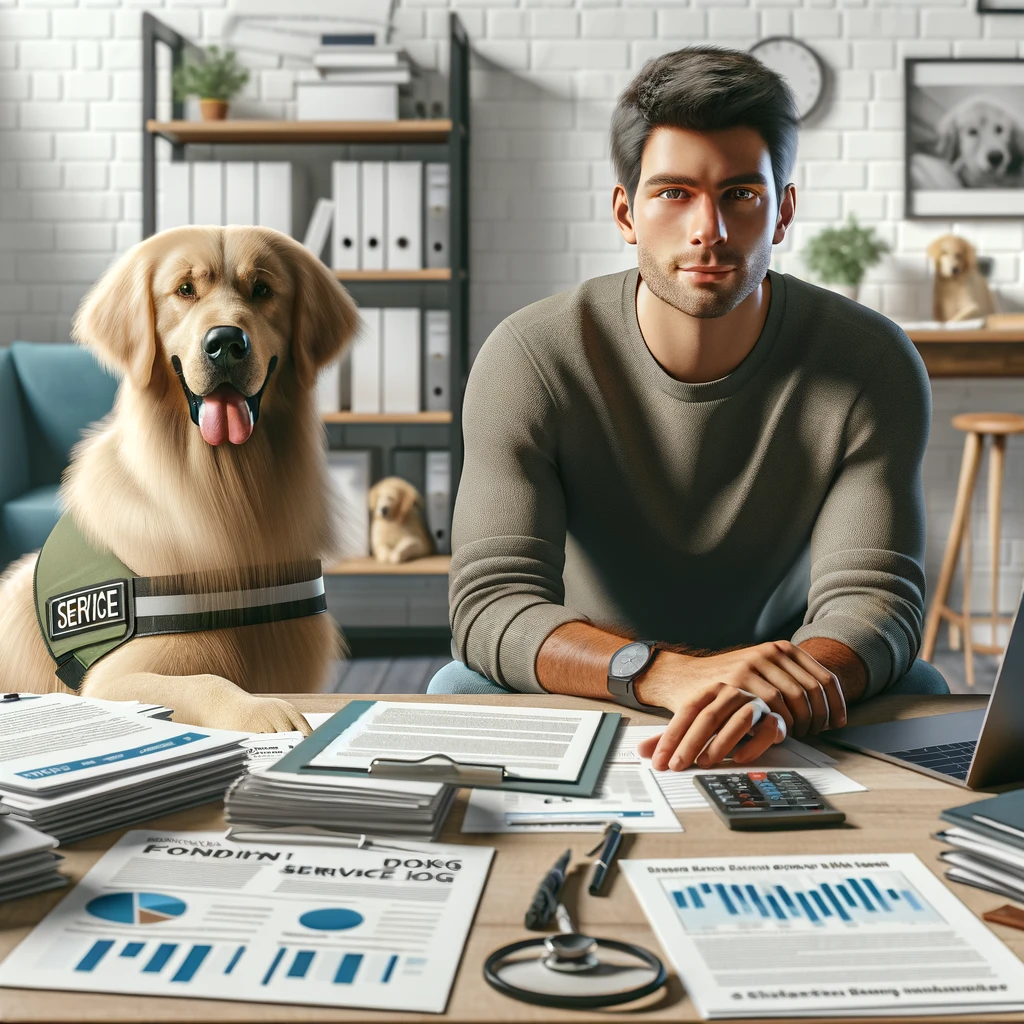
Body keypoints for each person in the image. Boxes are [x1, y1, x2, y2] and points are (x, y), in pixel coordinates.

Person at [428, 46, 948, 772]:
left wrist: (773, 689)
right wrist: (662, 673)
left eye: (741, 194)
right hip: (600, 678)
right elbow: (490, 606)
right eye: (674, 193)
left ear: (783, 211)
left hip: (782, 682)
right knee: (457, 685)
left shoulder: (870, 362)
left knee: (923, 687)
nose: (710, 229)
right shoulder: (532, 357)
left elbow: (875, 601)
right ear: (626, 213)